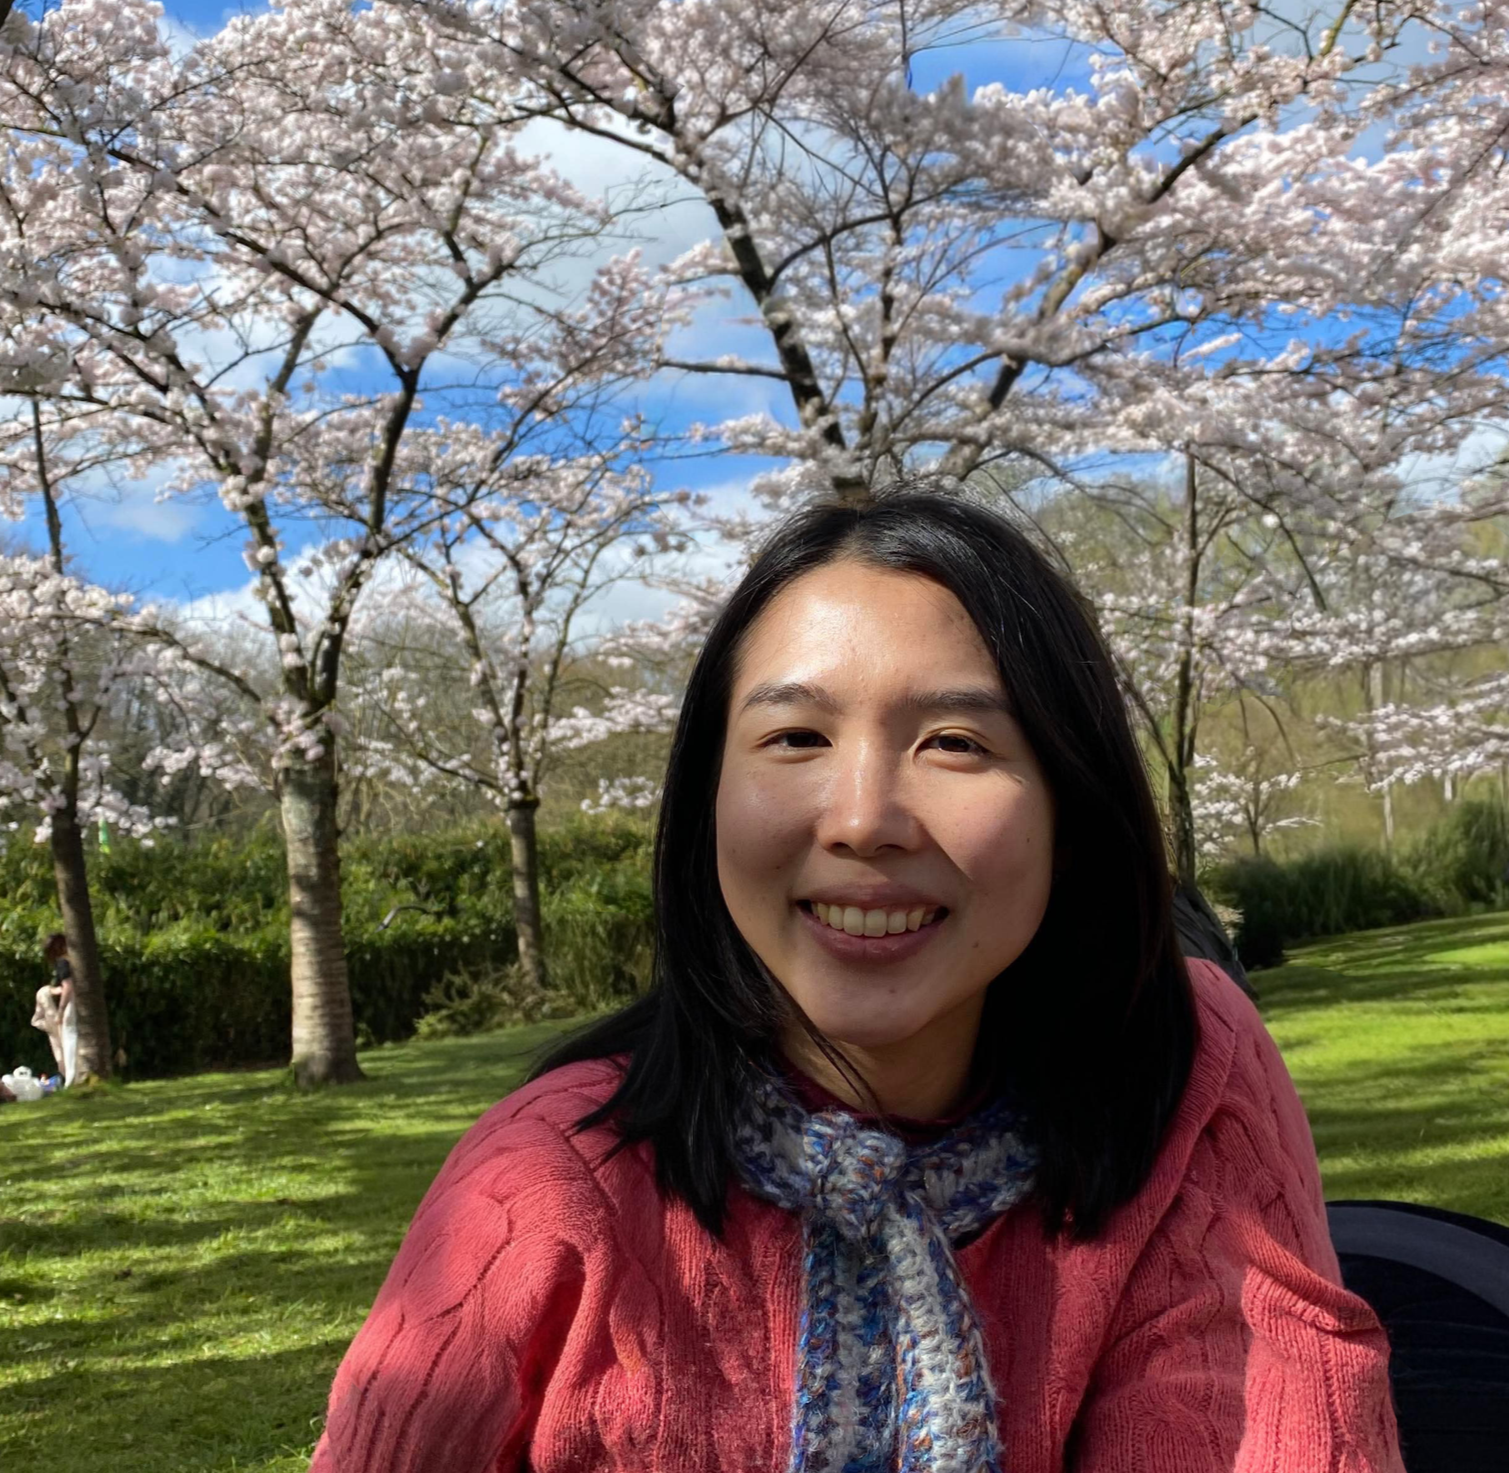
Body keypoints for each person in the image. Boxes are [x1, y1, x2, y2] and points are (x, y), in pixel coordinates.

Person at [309, 490, 1403, 1473]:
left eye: (958, 743)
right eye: (794, 736)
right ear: (706, 806)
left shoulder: (1177, 1065)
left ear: (1070, 807)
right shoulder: (541, 1190)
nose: (865, 820)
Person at [36, 933, 78, 1085]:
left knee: (69, 1039)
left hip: (72, 1004)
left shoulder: (62, 963)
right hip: (82, 1002)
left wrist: (60, 1011)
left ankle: (71, 1078)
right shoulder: (76, 960)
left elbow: (68, 986)